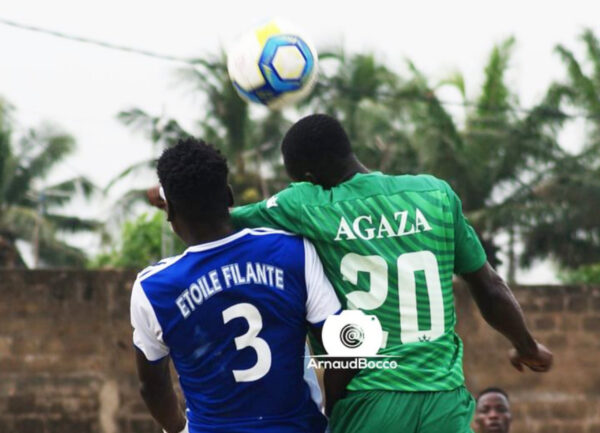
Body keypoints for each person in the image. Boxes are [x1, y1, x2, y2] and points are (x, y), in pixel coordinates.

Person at [147, 114, 553, 433]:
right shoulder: (436, 195)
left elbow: (218, 218)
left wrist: (171, 197)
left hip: (369, 397)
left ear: (308, 178)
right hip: (444, 400)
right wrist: (527, 345)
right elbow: (489, 286)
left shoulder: (306, 205)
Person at [130, 137, 343, 433]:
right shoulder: (292, 251)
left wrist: (178, 429)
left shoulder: (154, 288)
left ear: (170, 213)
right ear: (229, 196)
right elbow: (340, 348)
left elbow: (151, 387)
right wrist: (332, 416)